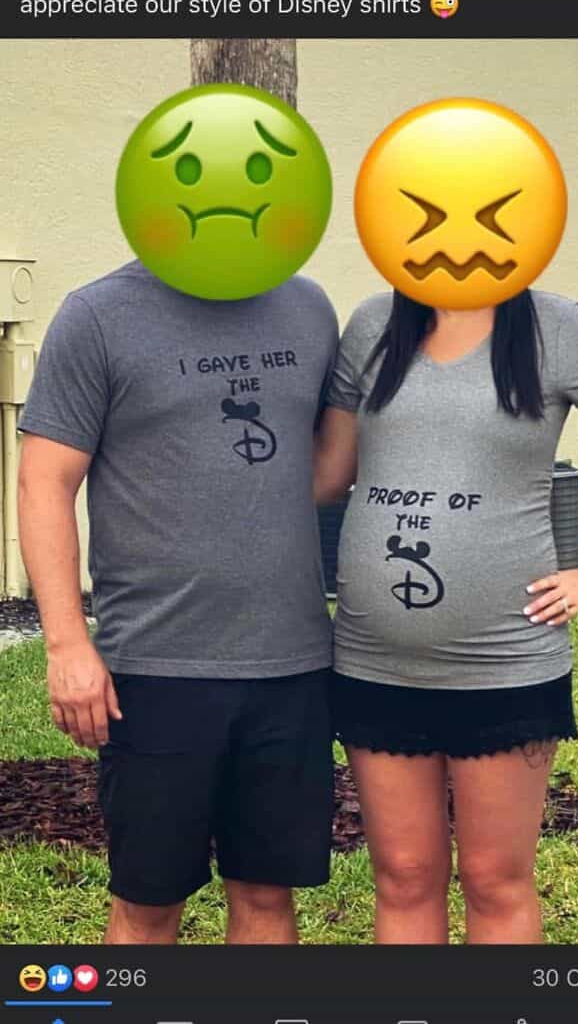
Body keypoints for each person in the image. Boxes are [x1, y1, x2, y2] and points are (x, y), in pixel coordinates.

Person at [313, 287, 578, 944]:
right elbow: (326, 475)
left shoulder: (554, 325)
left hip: (505, 663)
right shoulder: (374, 324)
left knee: (495, 880)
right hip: (374, 661)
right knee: (402, 875)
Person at [18, 258, 338, 944]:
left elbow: (320, 467)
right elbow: (44, 483)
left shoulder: (308, 308)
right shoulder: (98, 315)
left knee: (267, 893)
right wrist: (67, 645)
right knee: (148, 903)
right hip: (156, 668)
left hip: (292, 664)